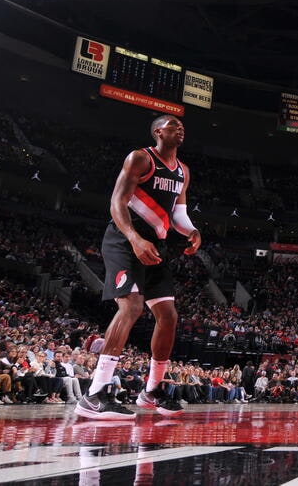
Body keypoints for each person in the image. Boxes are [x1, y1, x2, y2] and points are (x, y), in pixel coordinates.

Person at [76, 115, 198, 420]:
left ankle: (151, 391)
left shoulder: (182, 170)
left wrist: (192, 231)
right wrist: (134, 239)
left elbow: (178, 215)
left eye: (181, 126)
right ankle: (95, 394)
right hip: (123, 240)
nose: (179, 128)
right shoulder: (141, 158)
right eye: (172, 125)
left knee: (168, 316)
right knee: (131, 308)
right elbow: (117, 202)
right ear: (158, 131)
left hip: (155, 246)